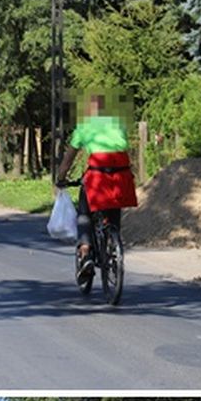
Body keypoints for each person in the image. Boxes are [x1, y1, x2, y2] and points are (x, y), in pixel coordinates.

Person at [54, 92, 138, 280]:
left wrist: (61, 177)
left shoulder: (84, 128)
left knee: (84, 214)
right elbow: (123, 149)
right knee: (114, 211)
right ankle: (113, 242)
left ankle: (85, 252)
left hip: (99, 178)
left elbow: (69, 157)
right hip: (120, 177)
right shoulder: (118, 125)